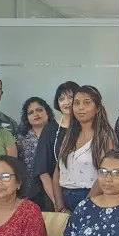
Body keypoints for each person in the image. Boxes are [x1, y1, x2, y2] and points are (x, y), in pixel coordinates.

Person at [53, 86, 116, 213]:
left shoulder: (104, 137)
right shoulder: (69, 136)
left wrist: (84, 207)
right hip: (65, 198)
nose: (80, 108)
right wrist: (60, 207)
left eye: (86, 103)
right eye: (76, 103)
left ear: (97, 108)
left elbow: (105, 175)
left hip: (92, 198)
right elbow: (57, 172)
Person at [34, 81, 79, 211]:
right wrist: (57, 201)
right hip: (55, 195)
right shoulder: (50, 129)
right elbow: (42, 170)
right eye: (61, 99)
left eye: (71, 97)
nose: (67, 102)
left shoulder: (87, 127)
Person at [16, 97, 55, 211]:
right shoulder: (20, 138)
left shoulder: (59, 133)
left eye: (39, 110)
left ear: (47, 112)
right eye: (31, 112)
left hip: (54, 187)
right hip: (29, 189)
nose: (35, 114)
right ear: (26, 118)